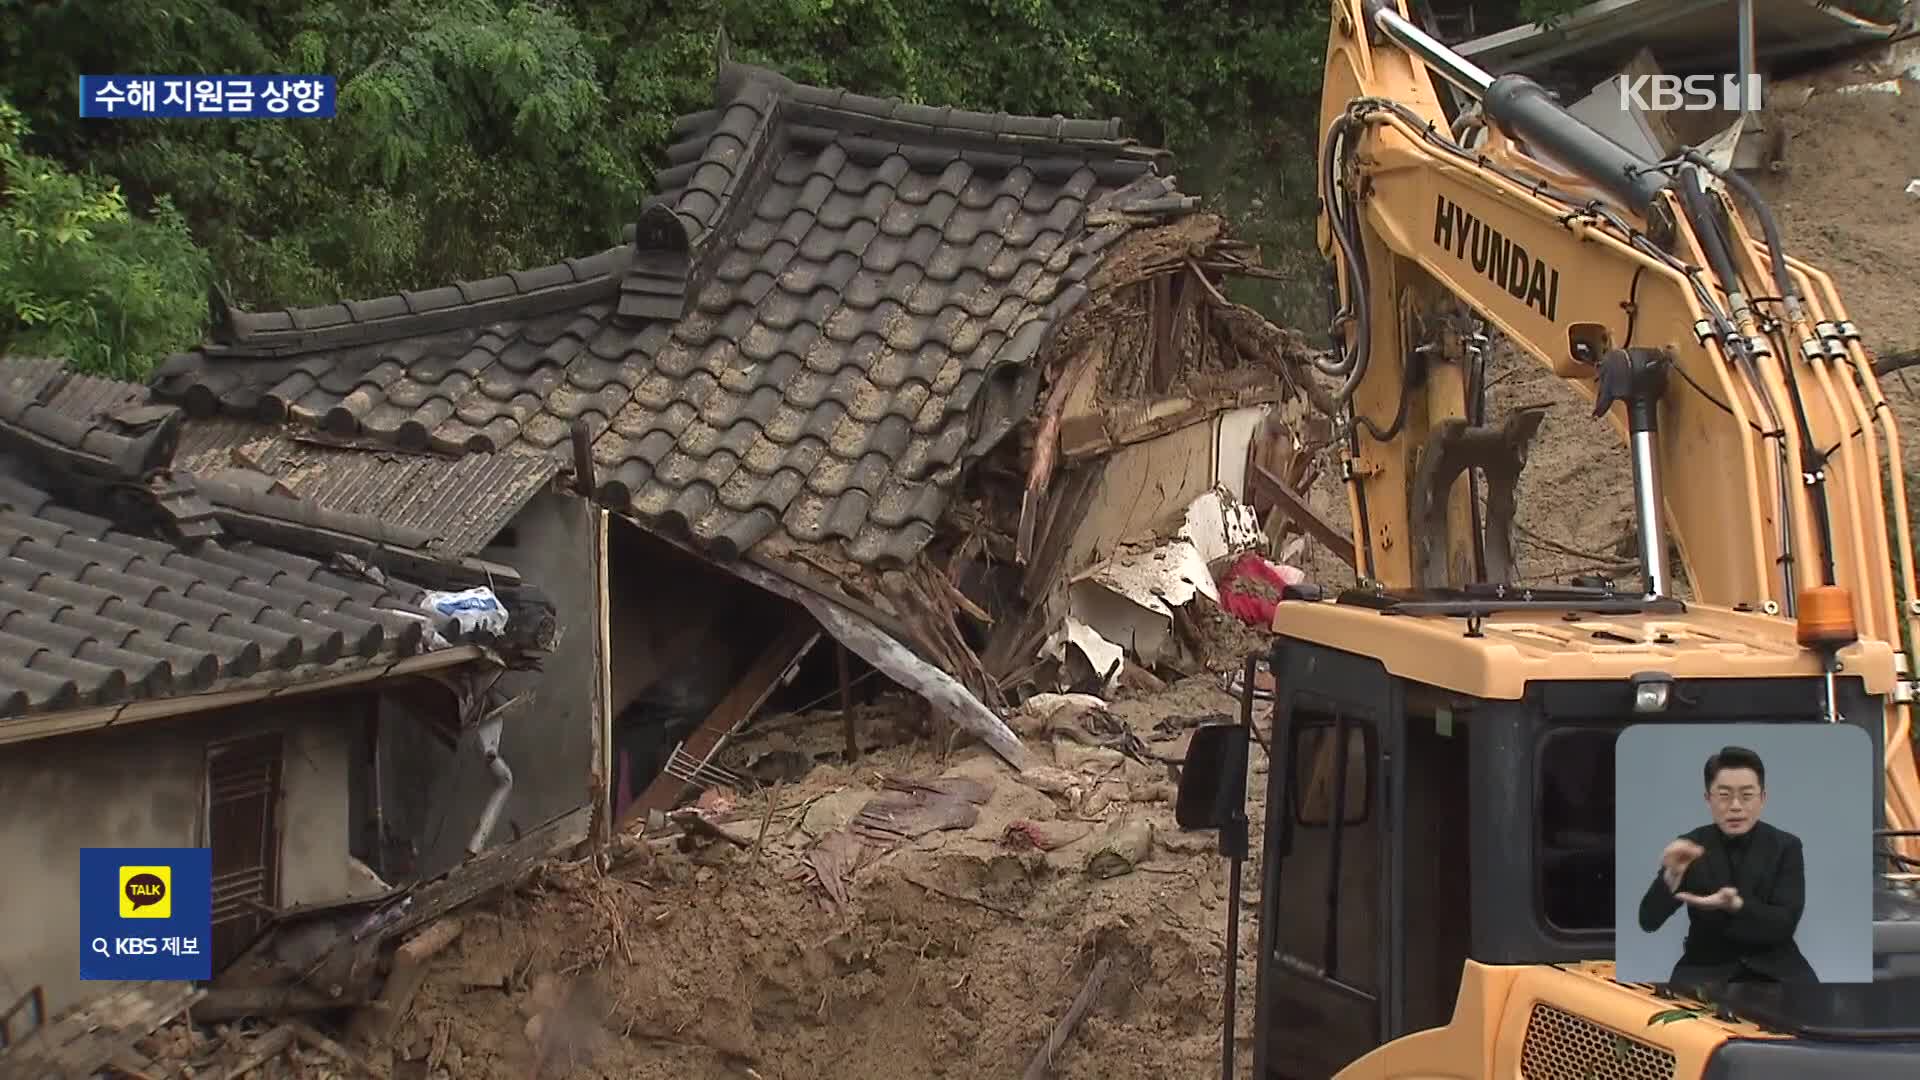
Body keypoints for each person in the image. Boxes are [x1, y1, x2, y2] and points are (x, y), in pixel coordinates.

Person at [1636, 745, 1816, 984]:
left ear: (1763, 798)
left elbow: (1784, 924)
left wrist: (1737, 906)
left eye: (1747, 795)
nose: (1735, 806)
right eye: (1724, 795)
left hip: (1777, 971)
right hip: (1704, 971)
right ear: (1708, 799)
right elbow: (1648, 921)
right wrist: (1672, 875)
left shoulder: (1786, 846)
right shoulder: (1689, 846)